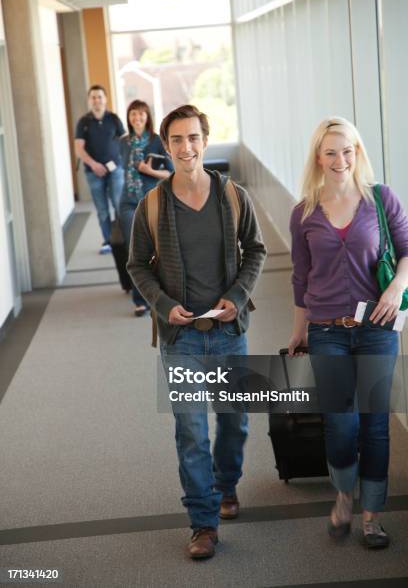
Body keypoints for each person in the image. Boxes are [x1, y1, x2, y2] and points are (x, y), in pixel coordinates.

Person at [127, 105, 266, 559]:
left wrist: (238, 296)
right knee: (190, 430)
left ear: (205, 141)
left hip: (229, 332)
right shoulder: (151, 205)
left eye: (193, 138)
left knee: (234, 423)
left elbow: (257, 251)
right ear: (165, 146)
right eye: (176, 140)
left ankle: (226, 486)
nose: (185, 148)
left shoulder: (232, 196)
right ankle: (202, 523)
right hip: (180, 338)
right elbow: (136, 267)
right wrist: (165, 306)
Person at [288, 117, 408, 549]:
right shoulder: (304, 212)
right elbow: (301, 279)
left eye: (348, 150)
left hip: (377, 328)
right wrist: (298, 332)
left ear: (357, 153)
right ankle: (342, 496)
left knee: (375, 426)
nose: (341, 160)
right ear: (318, 158)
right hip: (326, 330)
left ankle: (372, 516)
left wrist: (397, 287)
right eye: (331, 152)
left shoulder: (381, 200)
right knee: (340, 425)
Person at [119, 100, 173, 316]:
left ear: (147, 117)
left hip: (151, 200)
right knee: (133, 250)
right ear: (129, 117)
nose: (137, 118)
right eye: (133, 114)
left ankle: (158, 293)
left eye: (141, 114)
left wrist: (148, 171)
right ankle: (139, 298)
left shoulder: (157, 141)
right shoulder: (123, 142)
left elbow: (170, 173)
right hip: (128, 201)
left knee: (155, 248)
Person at [75, 85, 126, 254]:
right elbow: (79, 148)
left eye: (99, 96)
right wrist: (94, 165)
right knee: (102, 209)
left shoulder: (114, 119)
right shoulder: (84, 122)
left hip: (116, 169)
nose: (97, 100)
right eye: (93, 97)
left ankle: (124, 239)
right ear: (89, 101)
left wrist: (120, 160)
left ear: (105, 99)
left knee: (119, 205)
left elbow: (125, 141)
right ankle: (108, 241)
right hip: (93, 172)